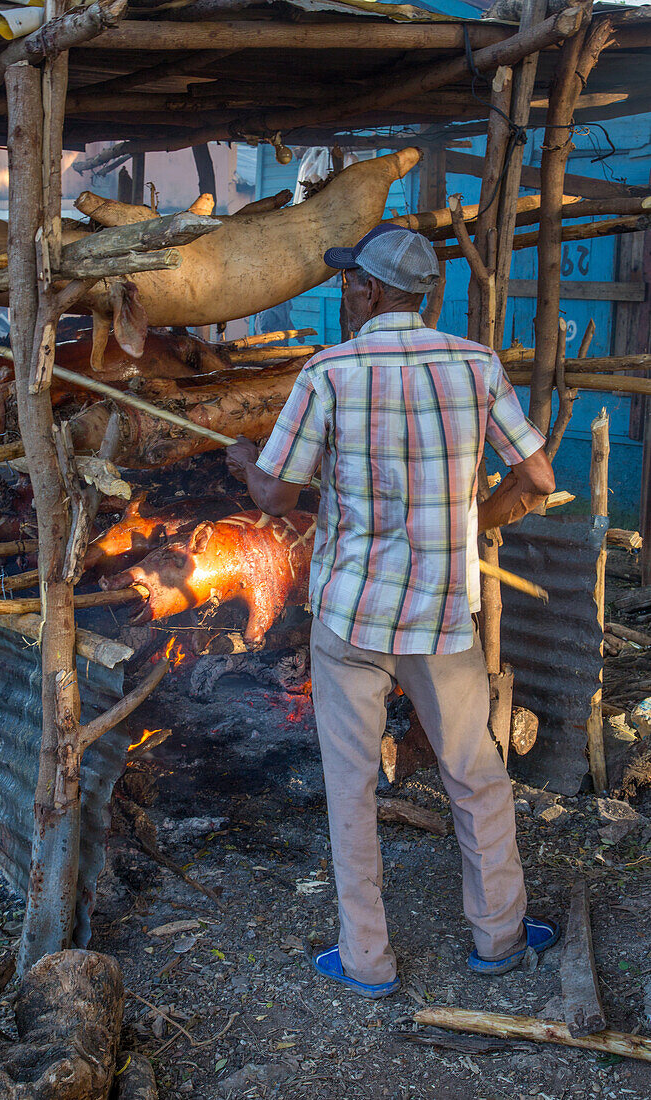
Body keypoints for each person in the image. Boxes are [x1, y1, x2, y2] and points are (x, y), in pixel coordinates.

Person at [225, 223, 558, 999]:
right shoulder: (473, 365)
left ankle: (367, 960)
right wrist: (478, 520)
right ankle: (499, 938)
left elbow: (276, 494)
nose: (345, 292)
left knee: (350, 786)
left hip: (351, 616)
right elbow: (536, 476)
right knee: (474, 774)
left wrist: (246, 466)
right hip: (441, 617)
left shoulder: (331, 371)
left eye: (349, 282)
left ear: (367, 291)